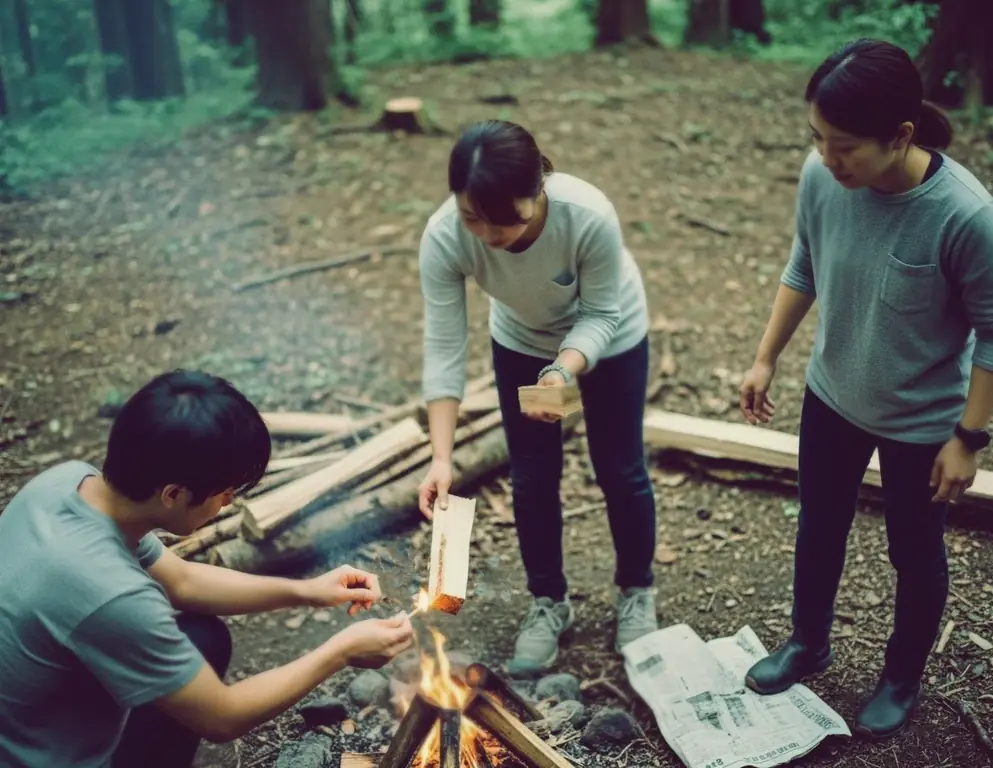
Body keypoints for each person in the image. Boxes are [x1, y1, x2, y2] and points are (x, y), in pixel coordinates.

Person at [738, 39, 993, 739]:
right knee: (819, 527)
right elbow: (805, 259)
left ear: (901, 136)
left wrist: (969, 438)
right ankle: (809, 642)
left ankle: (901, 678)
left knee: (913, 552)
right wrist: (766, 357)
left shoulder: (964, 216)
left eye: (845, 147)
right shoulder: (823, 177)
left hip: (921, 423)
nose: (827, 159)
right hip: (832, 394)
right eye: (817, 140)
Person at [0, 370, 414, 768]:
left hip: (24, 723)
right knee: (200, 651)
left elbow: (182, 580)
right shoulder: (112, 595)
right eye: (224, 493)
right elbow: (222, 717)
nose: (229, 503)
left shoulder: (68, 483)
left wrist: (307, 591)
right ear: (173, 494)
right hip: (42, 758)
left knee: (203, 636)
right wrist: (340, 651)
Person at [415, 119, 658, 675]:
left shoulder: (587, 215)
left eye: (506, 220)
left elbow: (601, 312)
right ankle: (549, 601)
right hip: (523, 342)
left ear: (539, 189)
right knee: (531, 474)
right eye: (472, 215)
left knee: (620, 469)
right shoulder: (446, 236)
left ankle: (637, 591)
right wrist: (442, 458)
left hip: (611, 338)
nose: (488, 234)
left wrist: (564, 370)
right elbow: (445, 346)